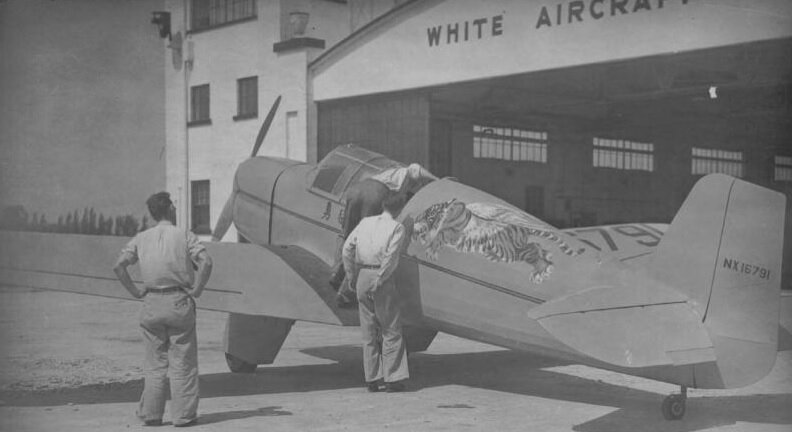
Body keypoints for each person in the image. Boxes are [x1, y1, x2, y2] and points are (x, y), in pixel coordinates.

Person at [113, 192, 213, 427]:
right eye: (174, 207)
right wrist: (197, 289)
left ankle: (151, 415)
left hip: (151, 302)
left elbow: (118, 266)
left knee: (155, 365)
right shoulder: (184, 235)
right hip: (178, 300)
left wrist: (135, 292)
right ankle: (183, 416)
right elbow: (206, 262)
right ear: (169, 209)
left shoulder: (141, 238)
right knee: (183, 363)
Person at [330, 163, 438, 304]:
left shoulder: (389, 173)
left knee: (347, 235)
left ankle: (335, 275)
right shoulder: (405, 173)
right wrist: (437, 179)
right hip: (375, 194)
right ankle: (345, 292)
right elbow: (416, 169)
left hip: (357, 189)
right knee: (363, 242)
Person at [341, 192, 410, 392]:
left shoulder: (365, 222)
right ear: (399, 209)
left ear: (383, 205)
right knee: (391, 329)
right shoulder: (397, 227)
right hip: (382, 277)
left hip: (362, 274)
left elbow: (347, 249)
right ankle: (393, 379)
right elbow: (391, 258)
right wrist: (380, 279)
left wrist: (351, 276)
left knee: (368, 331)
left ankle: (372, 379)